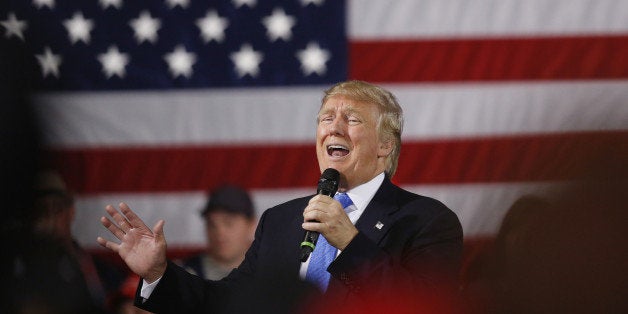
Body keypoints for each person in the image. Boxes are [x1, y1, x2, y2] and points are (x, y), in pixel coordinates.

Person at [97, 80, 464, 313]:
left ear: (385, 144)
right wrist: (159, 273)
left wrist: (350, 244)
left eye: (351, 119)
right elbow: (228, 303)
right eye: (325, 118)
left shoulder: (427, 220)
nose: (333, 127)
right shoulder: (281, 220)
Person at [177, 185, 257, 280]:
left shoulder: (274, 275)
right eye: (212, 224)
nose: (220, 232)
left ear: (251, 225)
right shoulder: (182, 276)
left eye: (228, 223)